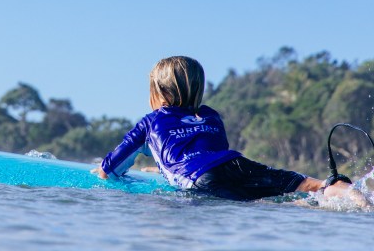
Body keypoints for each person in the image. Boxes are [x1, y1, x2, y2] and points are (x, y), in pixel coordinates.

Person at [92, 56, 369, 205]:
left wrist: (102, 171)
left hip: (202, 179)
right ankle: (346, 192)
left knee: (261, 205)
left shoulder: (150, 123)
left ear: (159, 92)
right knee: (306, 186)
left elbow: (110, 169)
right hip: (236, 163)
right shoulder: (210, 115)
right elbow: (217, 152)